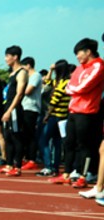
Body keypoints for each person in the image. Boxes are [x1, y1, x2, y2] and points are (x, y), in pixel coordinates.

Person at [49, 38, 104, 188]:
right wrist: (72, 89)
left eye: (79, 53)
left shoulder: (98, 65)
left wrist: (72, 89)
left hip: (87, 112)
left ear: (88, 52)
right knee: (69, 143)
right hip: (73, 111)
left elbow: (82, 88)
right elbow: (70, 85)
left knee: (84, 145)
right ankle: (67, 173)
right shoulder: (80, 68)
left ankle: (84, 175)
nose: (77, 57)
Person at [0, 45, 28, 177]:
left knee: (17, 138)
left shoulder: (22, 72)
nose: (5, 59)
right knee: (8, 137)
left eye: (7, 56)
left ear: (15, 57)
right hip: (7, 107)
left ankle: (18, 167)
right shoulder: (11, 74)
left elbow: (20, 93)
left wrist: (10, 110)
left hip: (15, 109)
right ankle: (9, 164)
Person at [38, 60, 71, 177]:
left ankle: (48, 166)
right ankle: (55, 167)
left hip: (56, 116)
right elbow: (45, 80)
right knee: (57, 143)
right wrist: (50, 70)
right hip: (62, 117)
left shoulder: (63, 83)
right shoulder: (62, 81)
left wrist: (47, 115)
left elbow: (54, 101)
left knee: (43, 140)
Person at [20, 56, 43, 171]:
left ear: (28, 65)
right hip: (25, 107)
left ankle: (32, 159)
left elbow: (28, 91)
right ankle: (27, 157)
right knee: (25, 135)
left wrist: (20, 87)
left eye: (23, 66)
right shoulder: (30, 76)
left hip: (31, 108)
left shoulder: (36, 76)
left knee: (30, 135)